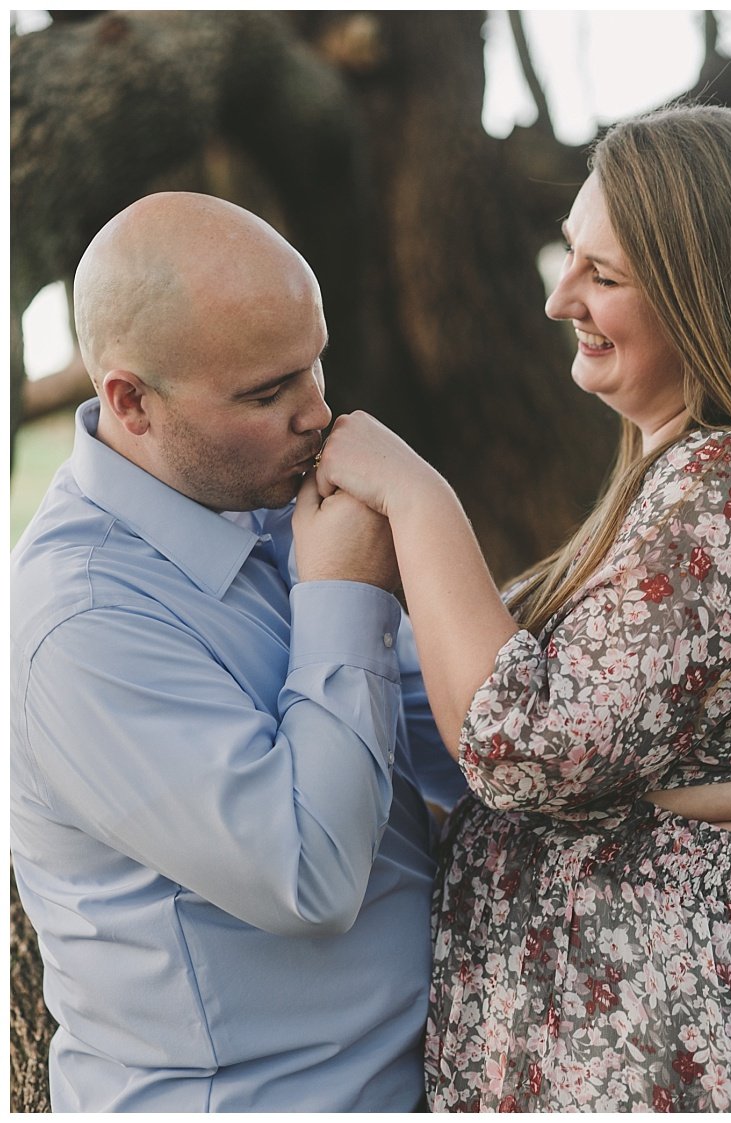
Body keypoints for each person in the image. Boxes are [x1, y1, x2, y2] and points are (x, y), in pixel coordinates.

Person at [305, 104, 731, 1112]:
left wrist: (418, 498)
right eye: (569, 257)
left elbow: (520, 747)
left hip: (628, 1062)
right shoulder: (659, 484)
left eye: (604, 275)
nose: (558, 299)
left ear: (693, 287)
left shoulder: (718, 490)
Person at [10, 192, 462, 1110]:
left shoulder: (258, 498)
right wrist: (347, 594)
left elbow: (459, 736)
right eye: (267, 392)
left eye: (314, 366)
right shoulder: (79, 622)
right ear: (129, 401)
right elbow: (312, 872)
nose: (319, 412)